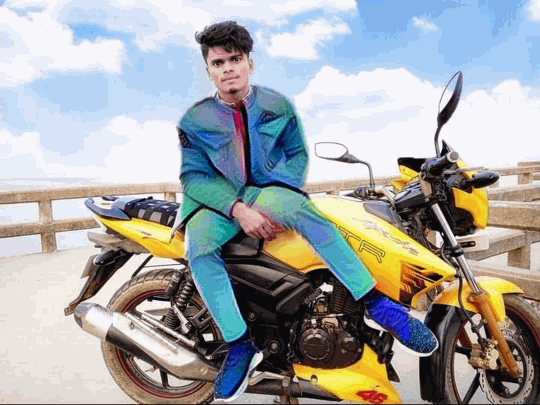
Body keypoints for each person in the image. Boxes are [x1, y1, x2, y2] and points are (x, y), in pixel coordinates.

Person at [177, 20, 438, 402]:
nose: (228, 68)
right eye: (218, 63)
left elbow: (296, 159)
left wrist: (273, 200)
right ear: (208, 71)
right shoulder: (193, 120)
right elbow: (194, 177)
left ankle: (375, 303)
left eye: (235, 59)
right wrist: (238, 209)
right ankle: (239, 344)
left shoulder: (277, 107)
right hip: (216, 203)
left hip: (266, 192)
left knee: (310, 213)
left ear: (250, 63)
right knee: (199, 246)